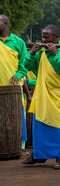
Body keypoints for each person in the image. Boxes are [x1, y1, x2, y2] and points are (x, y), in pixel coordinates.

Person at [22, 25, 60, 170]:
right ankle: (39, 155)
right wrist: (31, 54)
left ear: (56, 38)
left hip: (58, 95)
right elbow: (27, 67)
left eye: (47, 37)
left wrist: (56, 53)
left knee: (57, 123)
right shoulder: (41, 52)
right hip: (42, 94)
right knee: (39, 123)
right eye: (43, 36)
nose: (43, 39)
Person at [0, 14, 28, 145]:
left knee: (16, 115)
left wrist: (17, 75)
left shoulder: (18, 42)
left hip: (13, 87)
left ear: (5, 24)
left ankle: (18, 144)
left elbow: (25, 65)